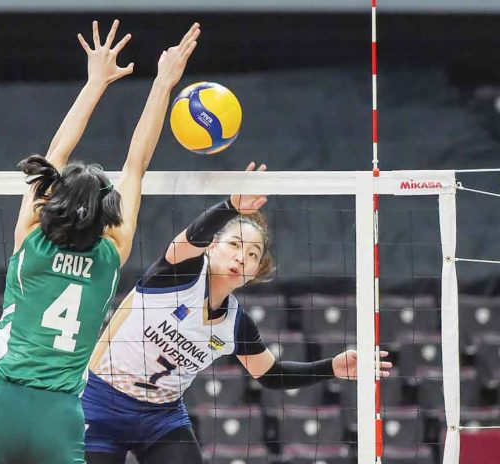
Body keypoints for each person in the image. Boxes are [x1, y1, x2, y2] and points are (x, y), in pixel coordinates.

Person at [0, 19, 201, 464]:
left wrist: (95, 82)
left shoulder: (30, 239)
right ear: (108, 214)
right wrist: (163, 83)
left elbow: (55, 155)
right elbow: (136, 165)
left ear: (52, 198)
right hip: (60, 415)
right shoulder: (112, 253)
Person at [83, 164, 393, 464]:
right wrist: (230, 205)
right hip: (103, 402)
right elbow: (191, 237)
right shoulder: (178, 273)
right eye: (234, 245)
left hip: (160, 418)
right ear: (212, 247)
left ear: (255, 272)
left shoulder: (236, 324)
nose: (241, 257)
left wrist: (331, 367)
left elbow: (271, 375)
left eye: (252, 255)